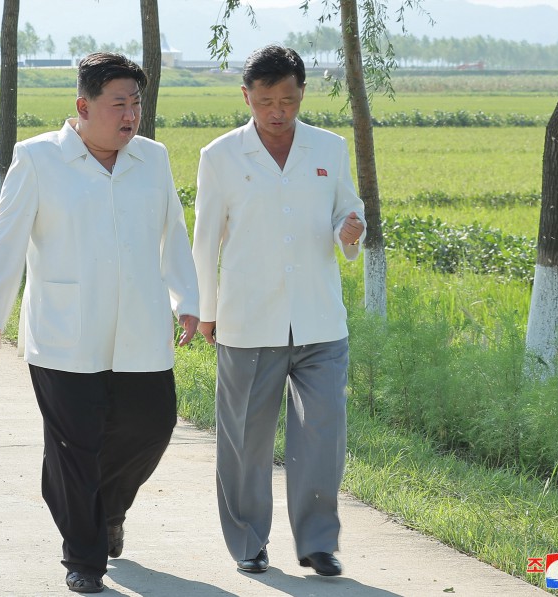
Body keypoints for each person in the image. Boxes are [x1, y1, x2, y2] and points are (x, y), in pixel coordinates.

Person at [0, 52, 199, 594]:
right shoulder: (38, 159)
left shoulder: (153, 159)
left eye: (136, 104)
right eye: (118, 104)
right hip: (64, 331)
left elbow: (174, 234)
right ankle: (85, 556)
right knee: (75, 446)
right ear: (83, 106)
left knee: (152, 426)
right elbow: (8, 241)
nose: (129, 115)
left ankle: (107, 509)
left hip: (140, 326)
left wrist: (187, 298)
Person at [191, 45, 366, 577]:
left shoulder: (329, 149)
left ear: (301, 95)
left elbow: (347, 209)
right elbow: (204, 241)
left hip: (319, 319)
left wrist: (351, 232)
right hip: (248, 319)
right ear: (247, 96)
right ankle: (248, 541)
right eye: (265, 100)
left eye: (287, 99)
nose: (277, 111)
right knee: (245, 439)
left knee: (323, 435)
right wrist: (205, 311)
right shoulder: (219, 156)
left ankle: (317, 543)